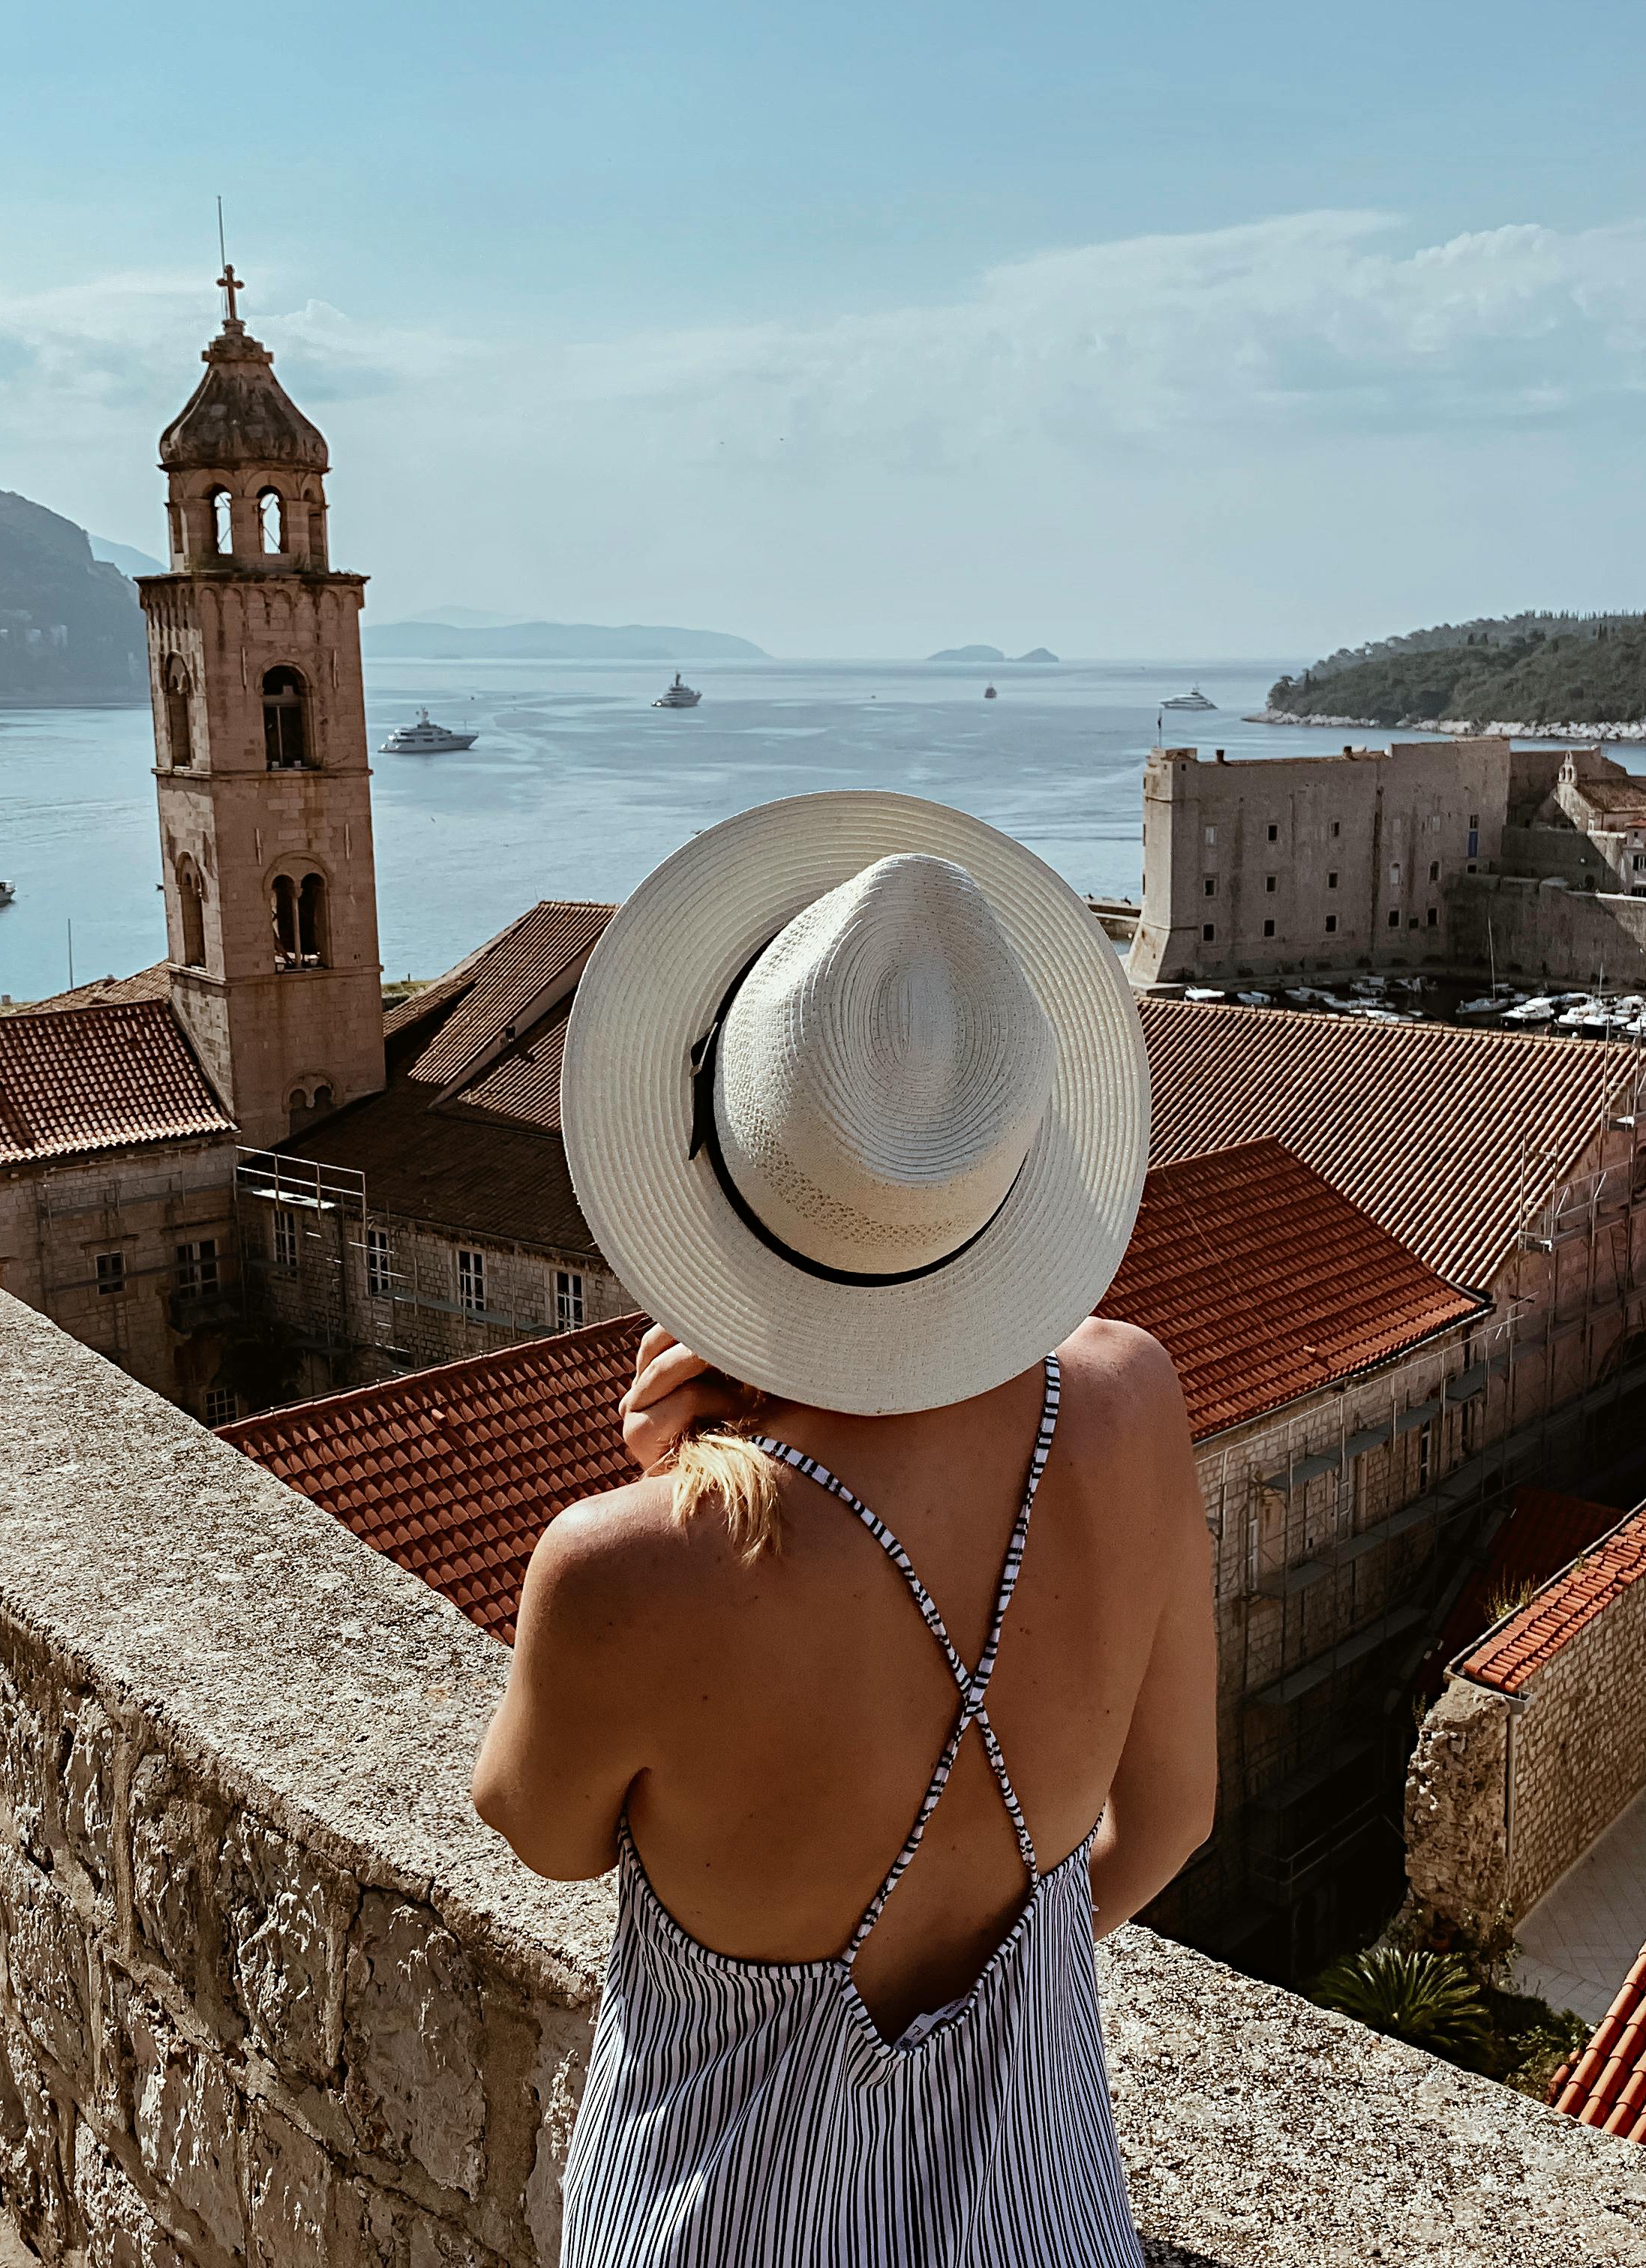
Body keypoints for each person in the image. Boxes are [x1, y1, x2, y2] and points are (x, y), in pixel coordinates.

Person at [471, 793, 1215, 2267]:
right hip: (1039, 2217)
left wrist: (677, 1480)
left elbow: (542, 1835)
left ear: (727, 1151)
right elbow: (1172, 1821)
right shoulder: (1130, 1404)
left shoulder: (627, 1566)